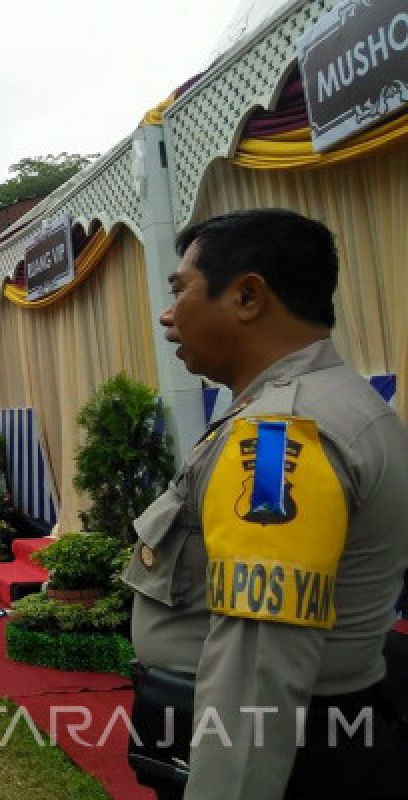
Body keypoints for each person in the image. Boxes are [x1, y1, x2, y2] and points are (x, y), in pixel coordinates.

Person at [125, 209, 408, 800]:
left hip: (291, 755)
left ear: (248, 296)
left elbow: (257, 665)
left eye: (181, 290)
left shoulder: (279, 436)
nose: (167, 314)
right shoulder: (334, 404)